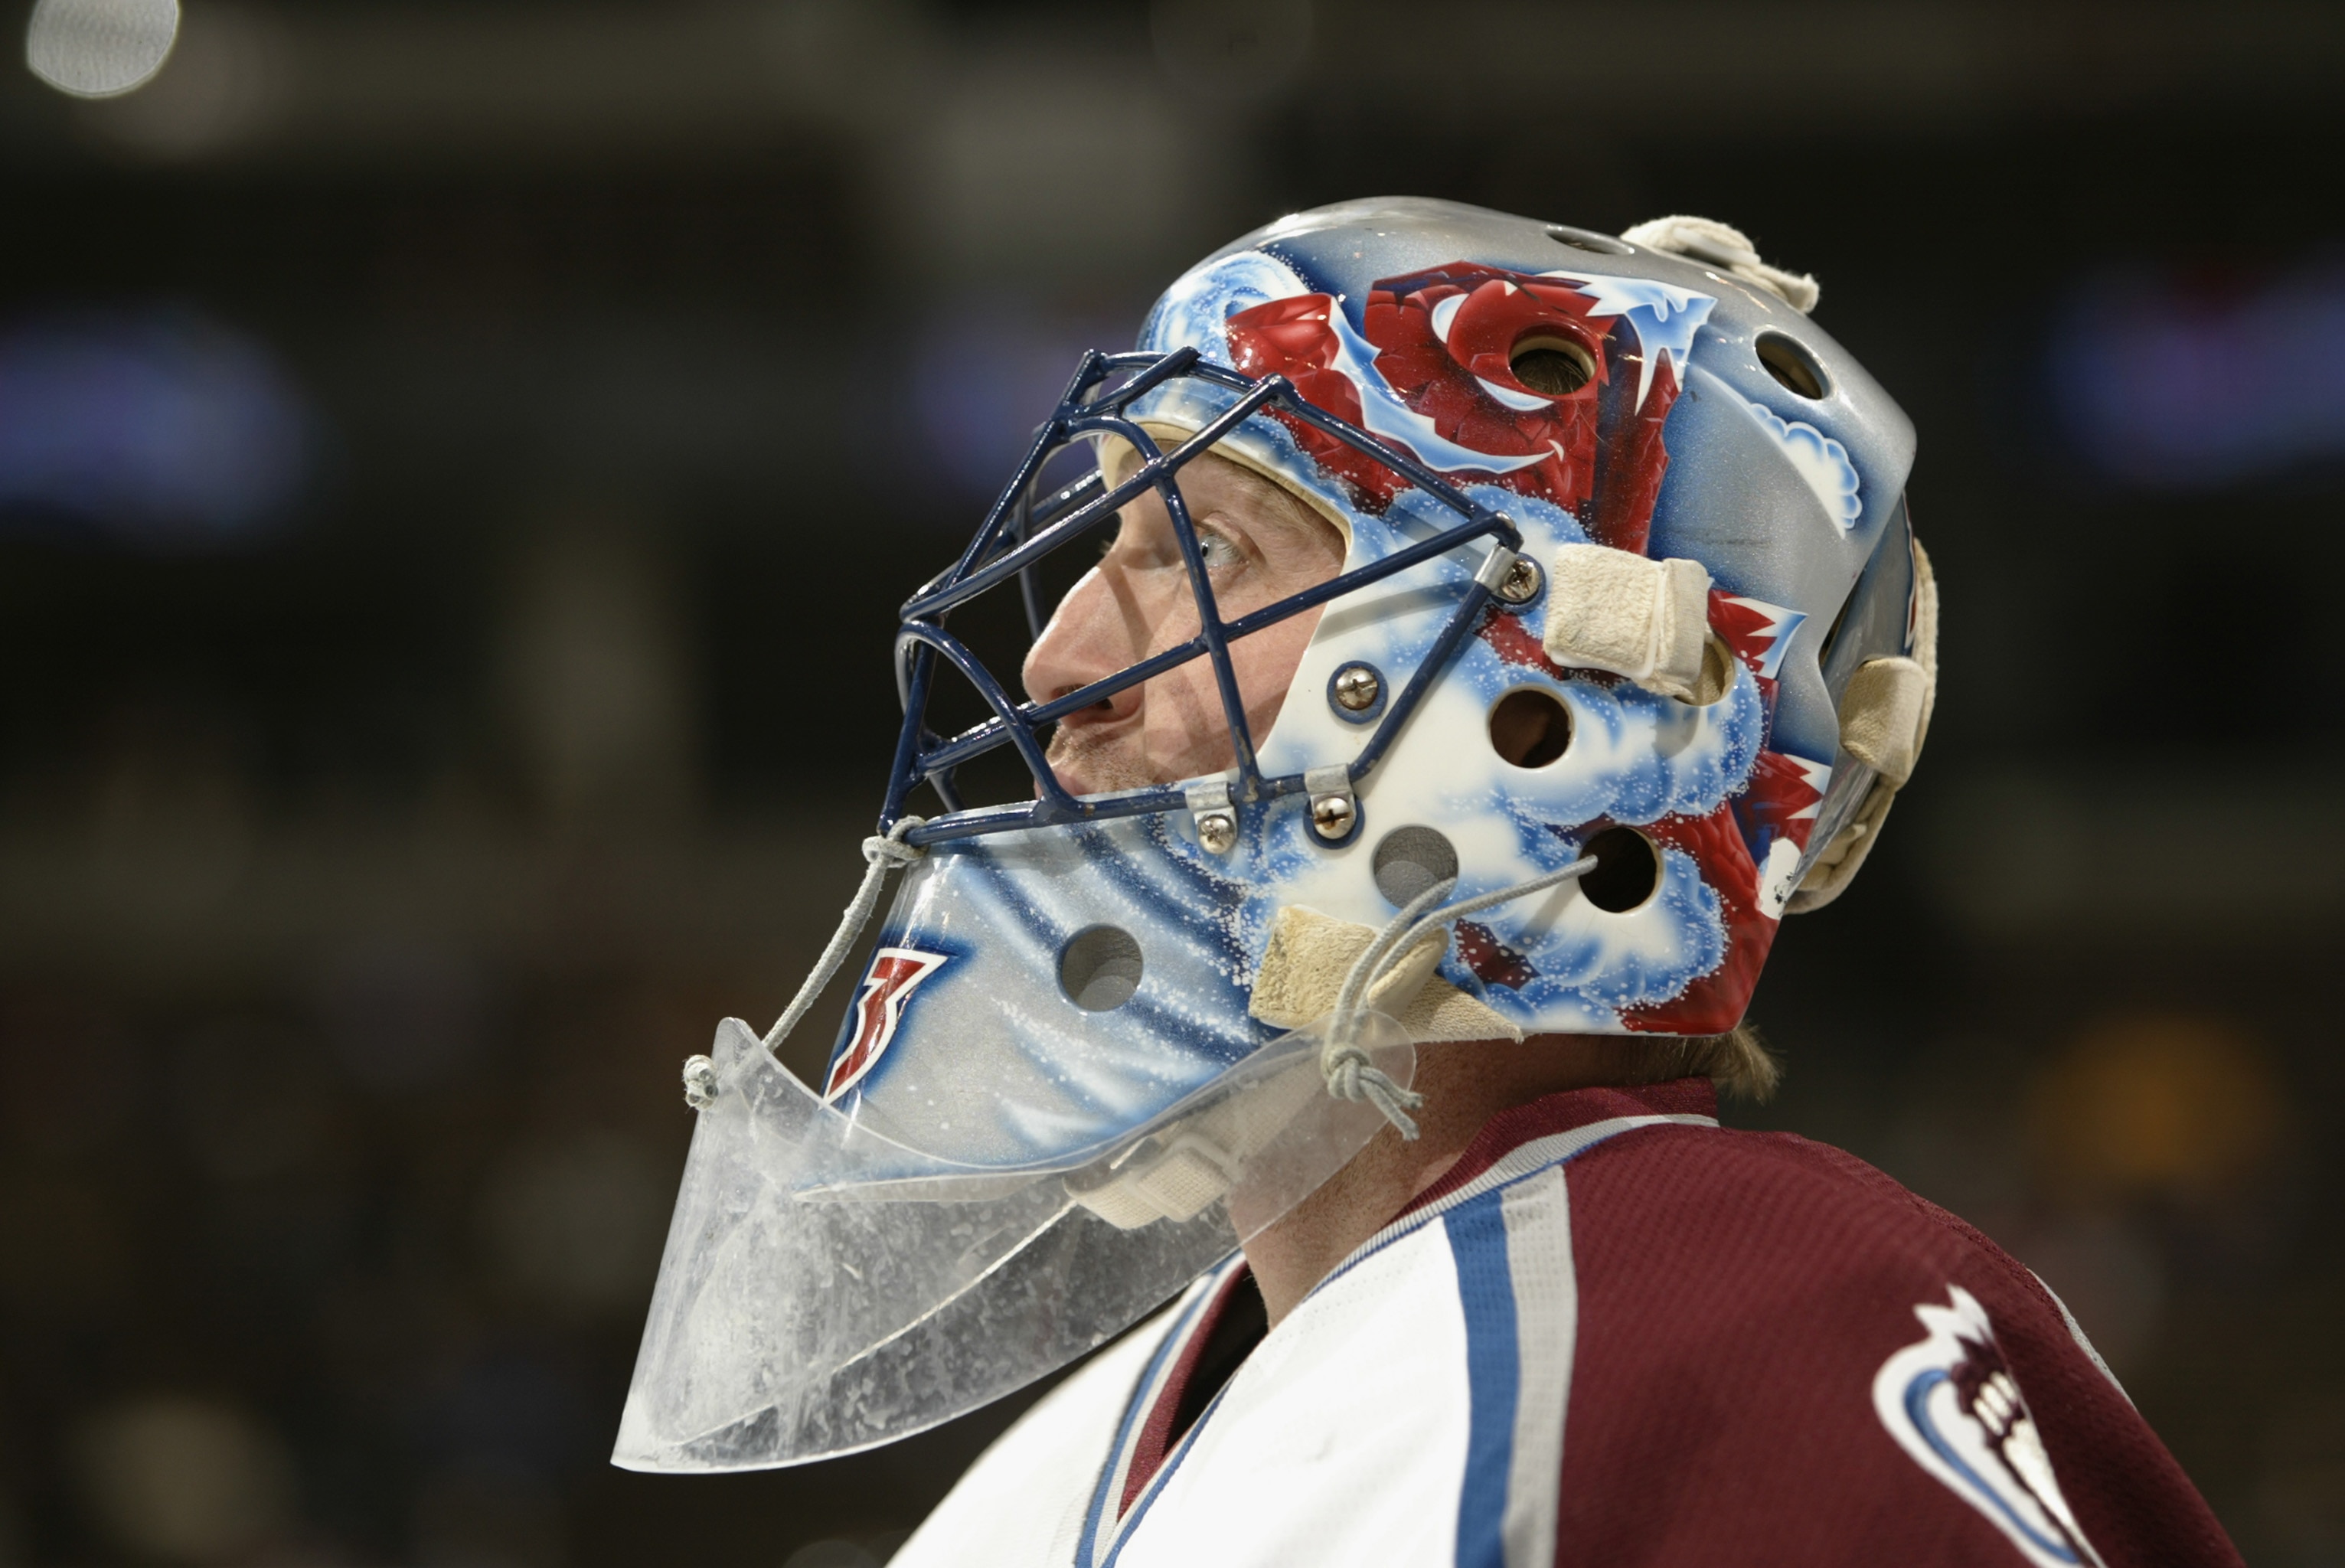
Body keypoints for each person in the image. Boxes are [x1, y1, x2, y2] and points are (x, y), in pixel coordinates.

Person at [613, 200, 2241, 1567]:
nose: (1057, 659)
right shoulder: (1066, 1475)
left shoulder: (1759, 1330)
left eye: (1203, 559)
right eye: (1093, 559)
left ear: (1554, 709)